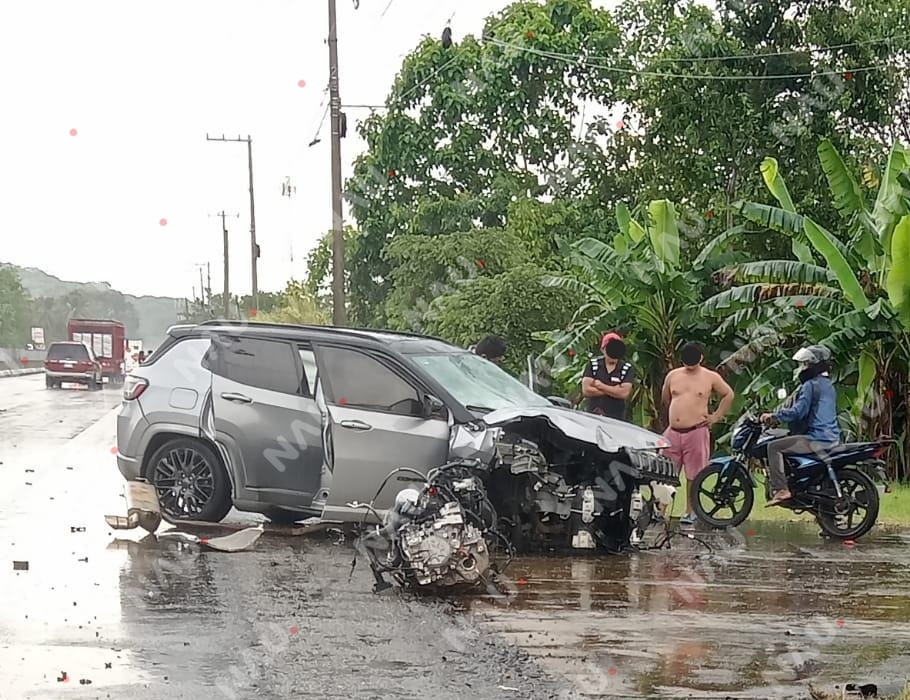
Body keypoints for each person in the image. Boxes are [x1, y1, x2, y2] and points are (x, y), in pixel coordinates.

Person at [661, 341, 735, 525]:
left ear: (701, 357)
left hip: (696, 431)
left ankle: (690, 511)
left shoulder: (710, 377)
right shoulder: (673, 375)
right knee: (666, 474)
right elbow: (666, 398)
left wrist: (716, 416)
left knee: (693, 476)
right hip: (673, 432)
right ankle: (660, 511)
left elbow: (728, 394)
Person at [760, 345, 840, 506]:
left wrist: (774, 416)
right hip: (831, 438)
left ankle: (781, 489)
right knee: (786, 438)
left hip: (815, 438)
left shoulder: (810, 385)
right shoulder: (828, 385)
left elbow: (798, 411)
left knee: (774, 447)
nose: (802, 368)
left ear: (814, 365)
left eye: (805, 364)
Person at [581, 331, 635, 421]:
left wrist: (600, 386)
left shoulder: (627, 368)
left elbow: (624, 393)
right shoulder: (593, 365)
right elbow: (586, 390)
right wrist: (614, 390)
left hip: (616, 419)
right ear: (603, 349)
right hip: (593, 417)